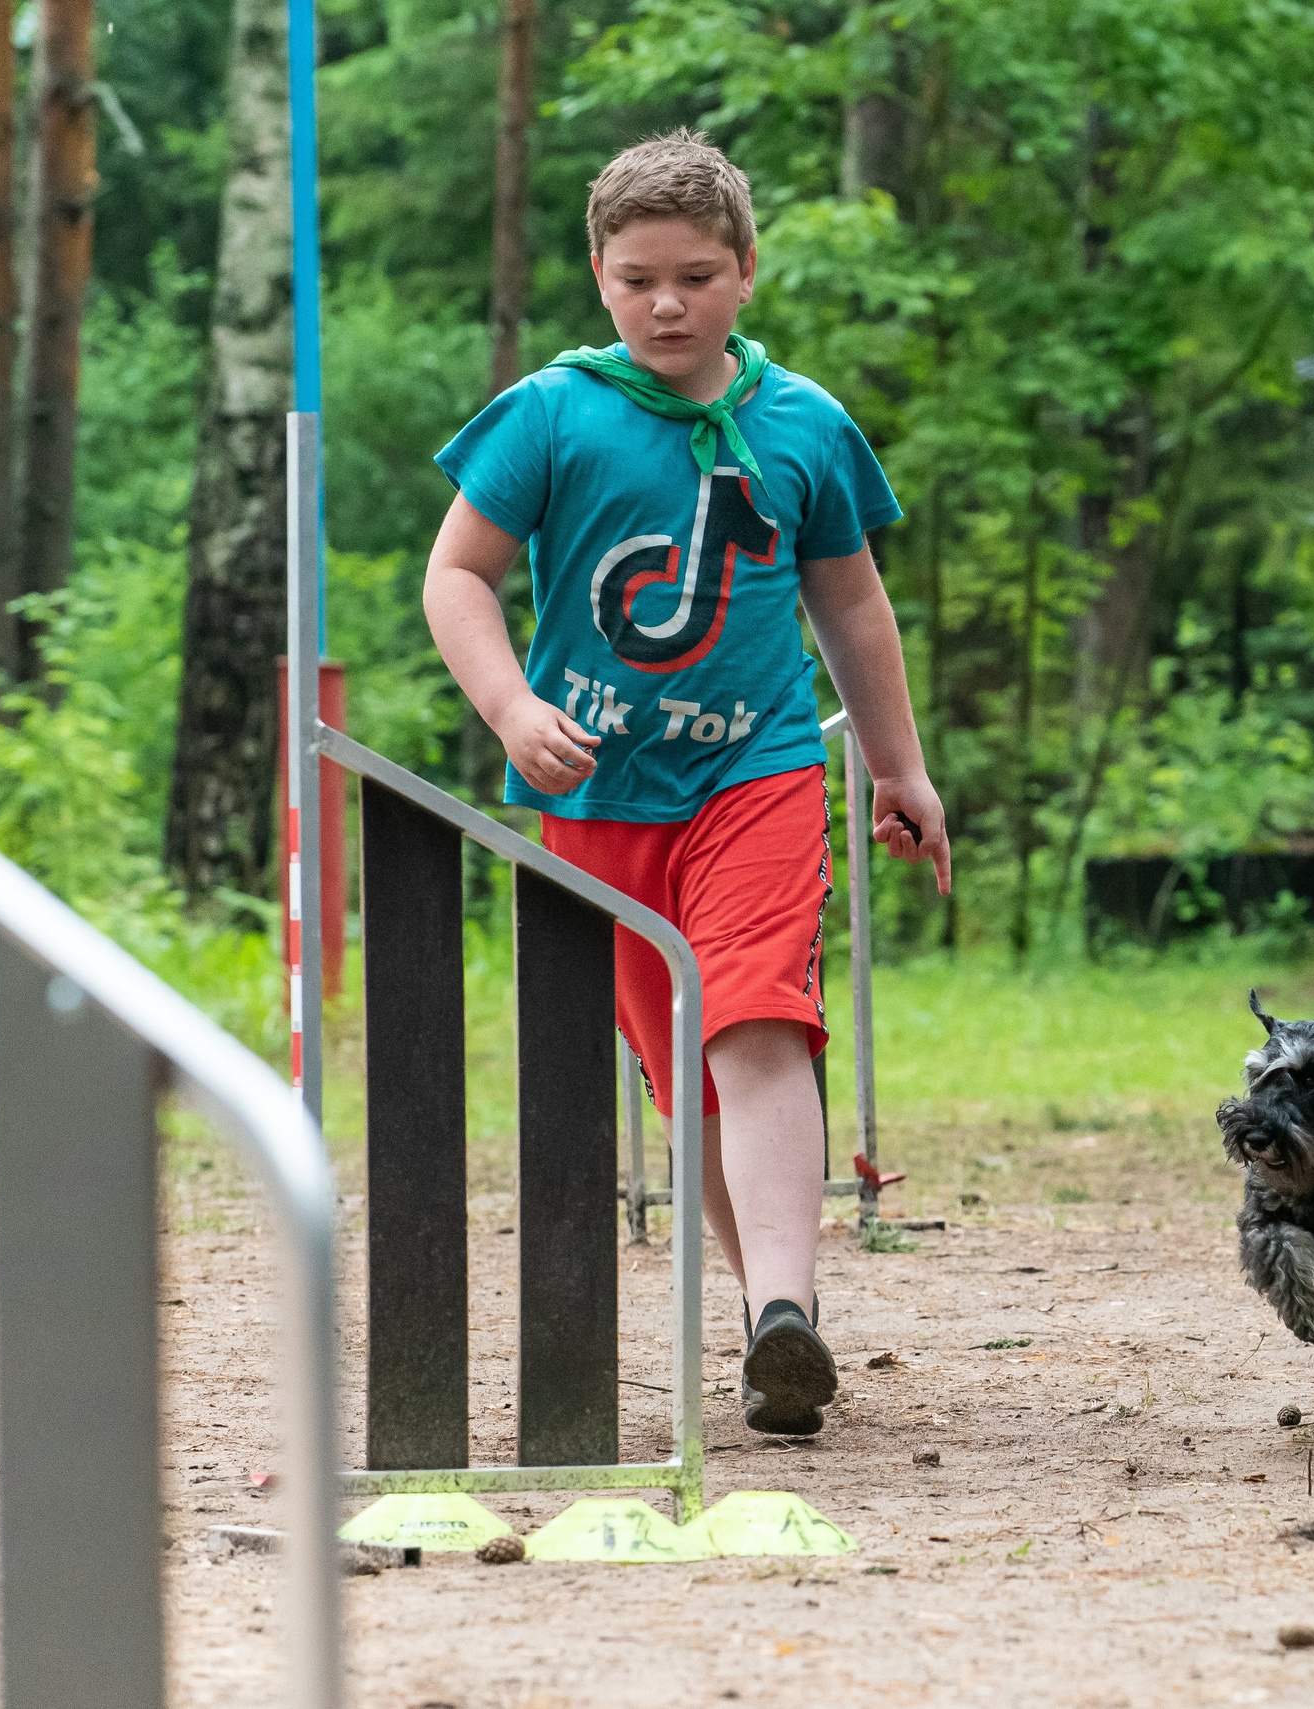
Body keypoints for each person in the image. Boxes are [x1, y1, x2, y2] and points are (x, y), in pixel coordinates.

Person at [421, 127, 949, 1436]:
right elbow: (456, 576)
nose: (669, 302)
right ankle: (771, 1330)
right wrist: (511, 703)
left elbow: (854, 607)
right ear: (599, 274)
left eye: (699, 276)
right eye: (641, 276)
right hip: (595, 793)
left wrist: (898, 766)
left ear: (749, 272)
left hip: (756, 774)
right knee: (687, 1076)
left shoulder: (805, 424)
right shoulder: (551, 412)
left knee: (758, 1020)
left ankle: (786, 1307)